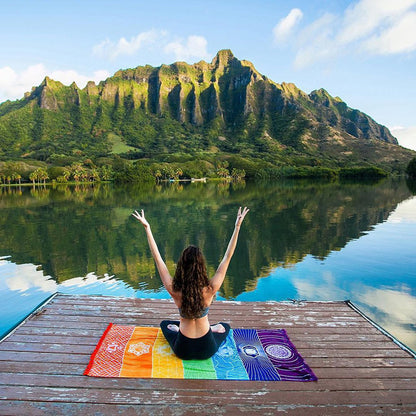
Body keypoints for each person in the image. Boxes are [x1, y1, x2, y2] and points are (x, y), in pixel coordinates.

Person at [132, 206, 249, 360]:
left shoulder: (175, 290)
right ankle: (214, 329)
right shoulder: (210, 289)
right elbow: (228, 256)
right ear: (201, 266)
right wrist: (237, 226)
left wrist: (147, 228)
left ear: (182, 265)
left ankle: (181, 328)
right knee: (225, 327)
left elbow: (158, 258)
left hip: (183, 350)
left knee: (165, 324)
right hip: (206, 349)